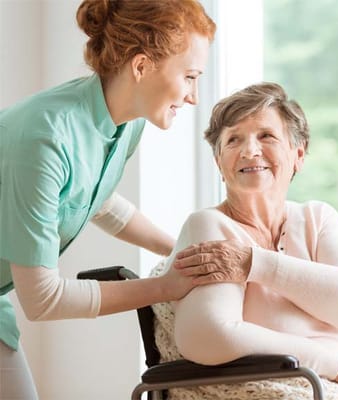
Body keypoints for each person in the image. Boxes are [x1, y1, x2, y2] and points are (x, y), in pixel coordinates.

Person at [0, 1, 217, 399]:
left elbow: (95, 199)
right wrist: (165, 286)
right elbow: (43, 298)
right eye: (189, 77)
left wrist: (181, 250)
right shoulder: (45, 138)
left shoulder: (125, 123)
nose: (193, 97)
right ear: (141, 66)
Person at [152, 82, 338, 400]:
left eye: (266, 136)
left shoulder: (318, 218)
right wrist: (328, 363)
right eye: (233, 140)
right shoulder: (209, 226)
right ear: (219, 163)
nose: (249, 151)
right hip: (289, 389)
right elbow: (208, 337)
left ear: (298, 155)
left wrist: (254, 264)